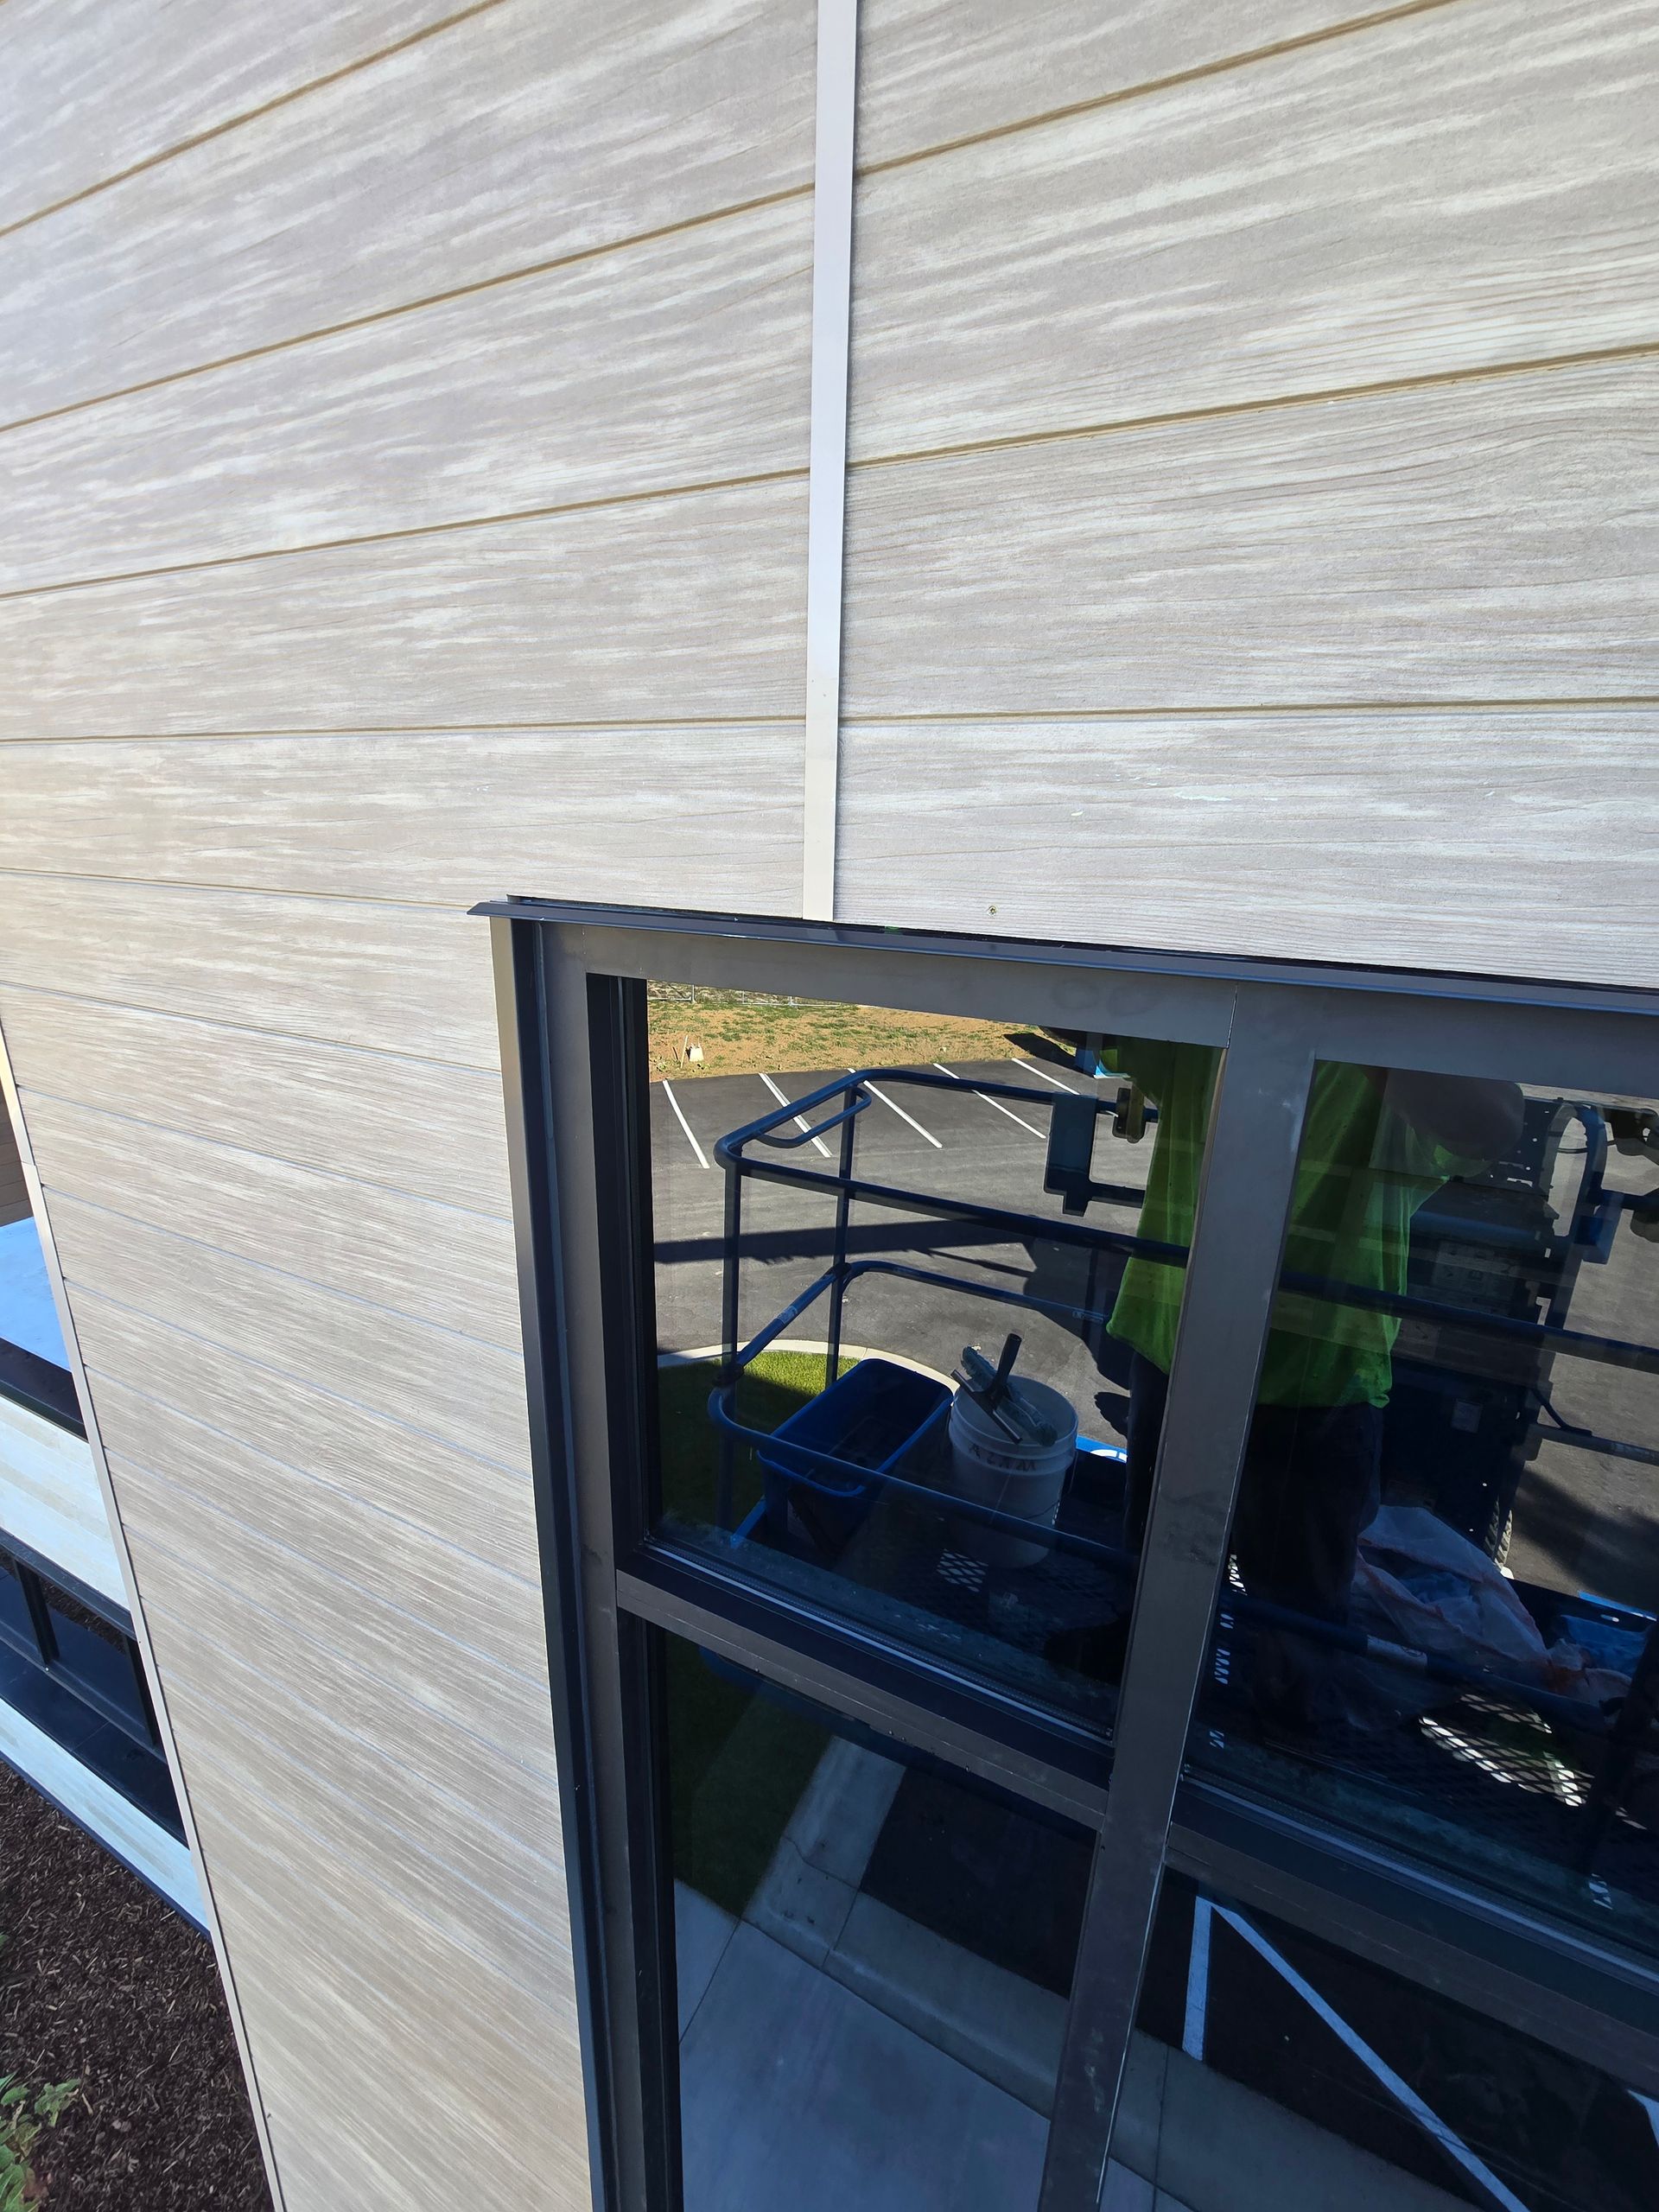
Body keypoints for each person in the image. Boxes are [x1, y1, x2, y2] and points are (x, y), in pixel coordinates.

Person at [1093, 1041, 1523, 1722]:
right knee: (1156, 1565)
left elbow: (1494, 1122)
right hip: (1186, 1344)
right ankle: (1143, 1688)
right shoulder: (1221, 1026)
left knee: (1296, 1621)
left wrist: (1357, 1021)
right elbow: (1080, 1005)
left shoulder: (1382, 1045)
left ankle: (1281, 1740)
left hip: (1311, 1378)